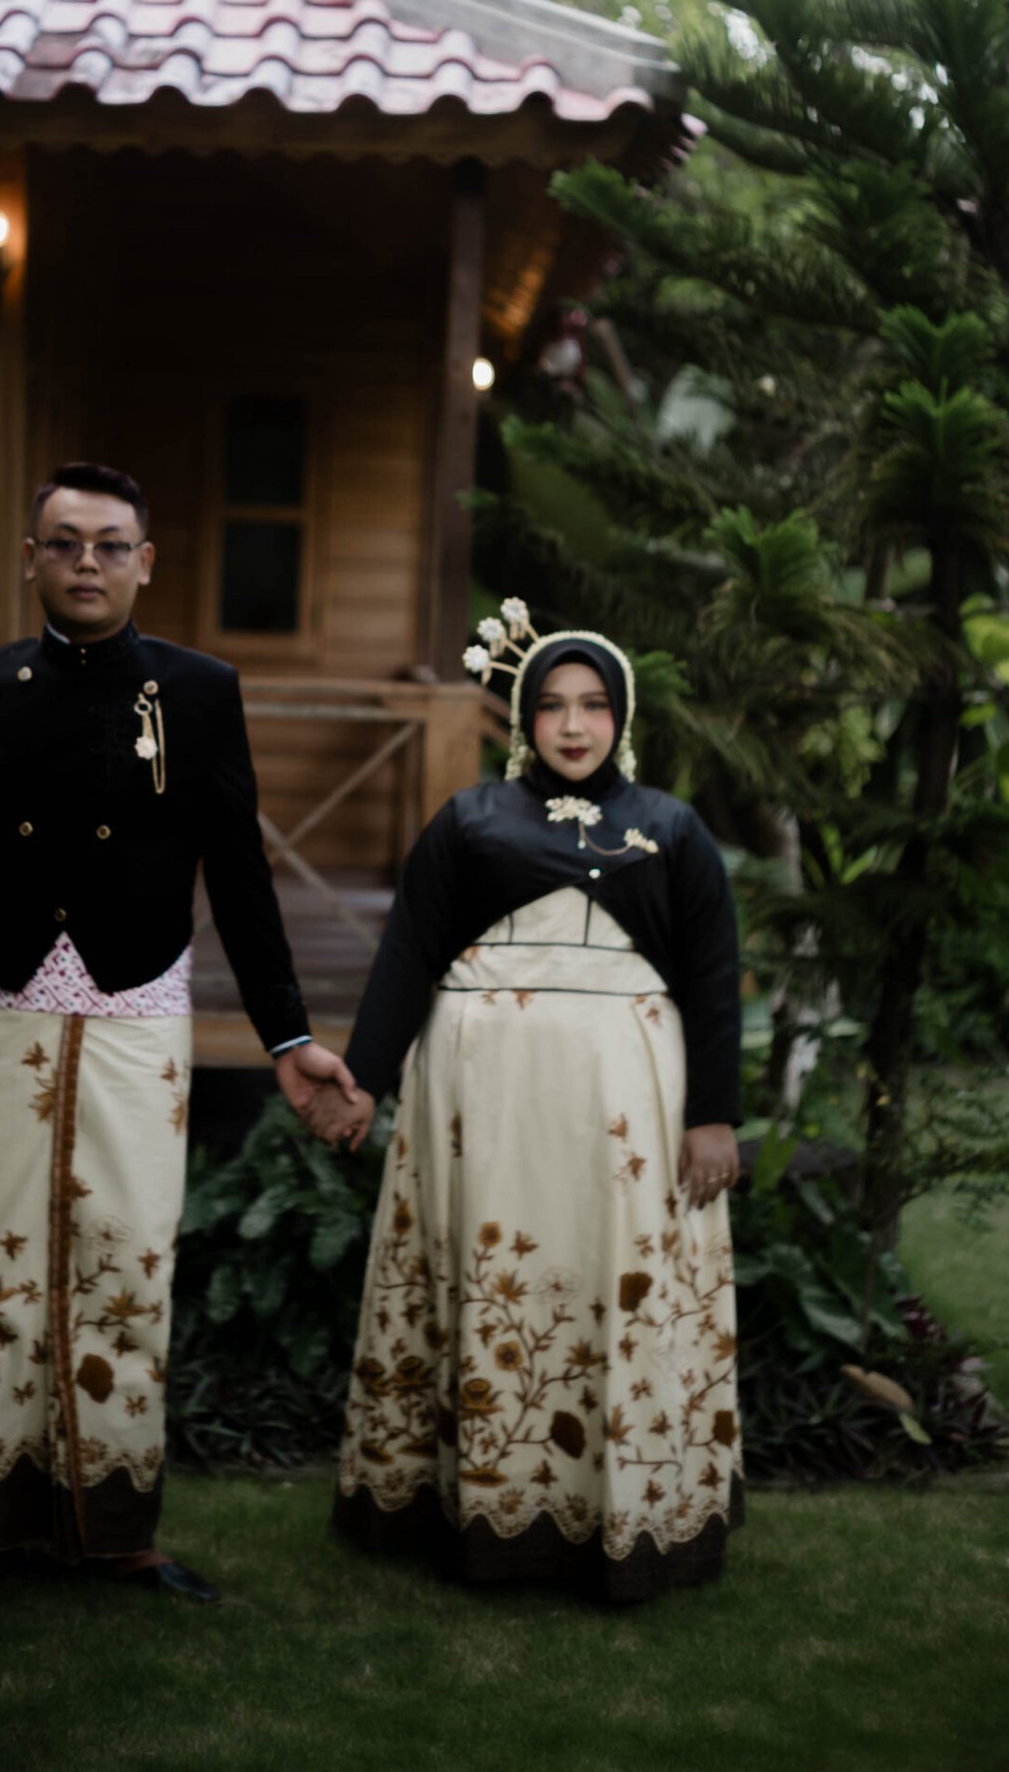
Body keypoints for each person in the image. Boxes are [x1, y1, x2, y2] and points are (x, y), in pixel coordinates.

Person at [0, 461, 357, 1603]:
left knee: (129, 1260)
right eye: (63, 542)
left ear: (144, 561)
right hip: (1, 1009)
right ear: (31, 558)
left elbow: (239, 874)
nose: (84, 562)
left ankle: (118, 1534)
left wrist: (287, 1036)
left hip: (141, 1014)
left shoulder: (198, 690)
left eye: (107, 544)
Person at [306, 608, 743, 1600]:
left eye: (592, 705)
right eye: (550, 705)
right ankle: (478, 1505)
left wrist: (712, 1114)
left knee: (611, 1273)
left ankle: (623, 1507)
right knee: (490, 1271)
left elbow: (714, 977)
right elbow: (407, 955)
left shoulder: (673, 829)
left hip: (624, 1110)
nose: (573, 725)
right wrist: (361, 1080)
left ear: (621, 713)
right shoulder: (467, 821)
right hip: (485, 1106)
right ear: (521, 718)